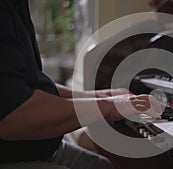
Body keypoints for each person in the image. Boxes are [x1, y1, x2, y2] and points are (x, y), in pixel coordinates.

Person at [0, 0, 162, 169]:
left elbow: (27, 86)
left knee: (100, 165)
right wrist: (109, 106)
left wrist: (101, 96)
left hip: (31, 148)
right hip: (10, 154)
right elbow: (13, 115)